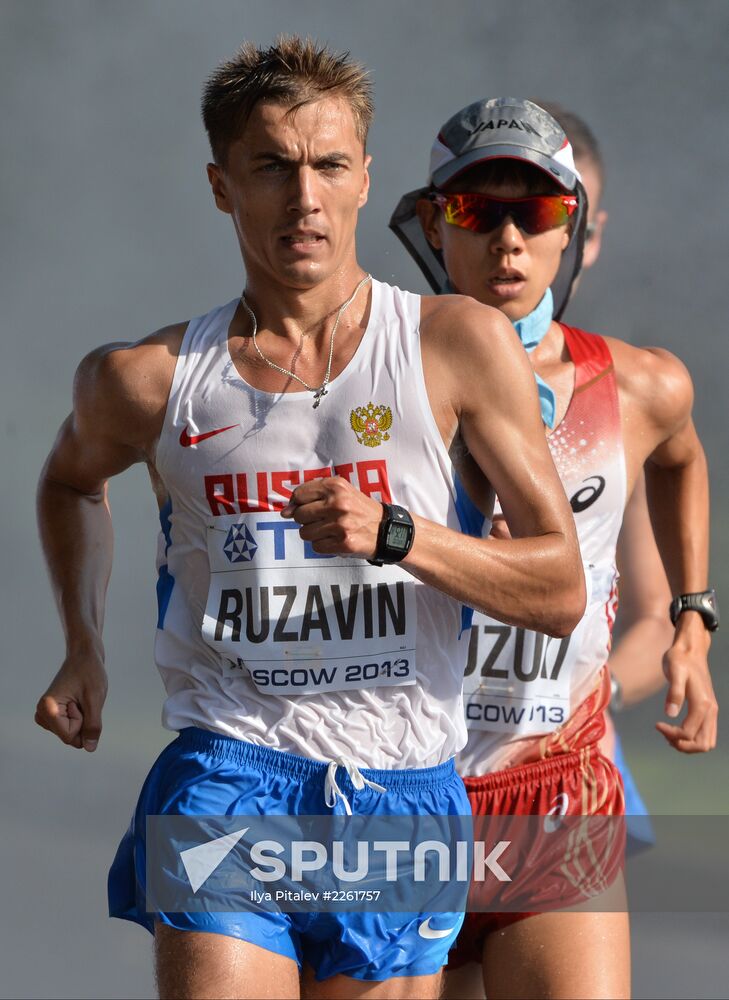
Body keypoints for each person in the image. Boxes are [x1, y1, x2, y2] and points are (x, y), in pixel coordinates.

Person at [34, 44, 586, 1000]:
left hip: (402, 786)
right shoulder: (149, 379)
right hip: (228, 768)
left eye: (329, 166)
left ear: (364, 177)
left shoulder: (455, 343)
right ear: (221, 186)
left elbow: (558, 587)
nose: (305, 199)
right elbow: (70, 484)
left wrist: (398, 534)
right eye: (271, 167)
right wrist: (82, 646)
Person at [391, 96, 718, 1000]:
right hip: (396, 786)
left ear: (570, 226)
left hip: (553, 779)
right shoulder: (368, 377)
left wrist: (692, 622)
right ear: (432, 223)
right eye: (477, 210)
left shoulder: (638, 384)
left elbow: (681, 454)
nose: (507, 240)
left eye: (534, 213)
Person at [539, 100, 671, 853]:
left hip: (567, 772)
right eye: (496, 210)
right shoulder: (409, 371)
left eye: (563, 214)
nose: (527, 237)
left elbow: (659, 619)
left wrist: (590, 692)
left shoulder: (616, 395)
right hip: (418, 761)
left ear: (590, 235)